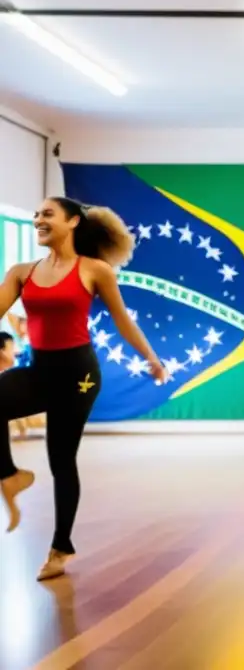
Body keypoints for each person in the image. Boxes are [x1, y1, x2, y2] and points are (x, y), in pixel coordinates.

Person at [0, 197, 167, 581]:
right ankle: (10, 474)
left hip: (79, 376)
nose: (38, 219)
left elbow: (123, 321)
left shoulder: (94, 270)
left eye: (47, 214)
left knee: (61, 459)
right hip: (40, 369)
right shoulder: (22, 272)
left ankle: (61, 547)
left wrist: (152, 358)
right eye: (36, 214)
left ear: (73, 221)